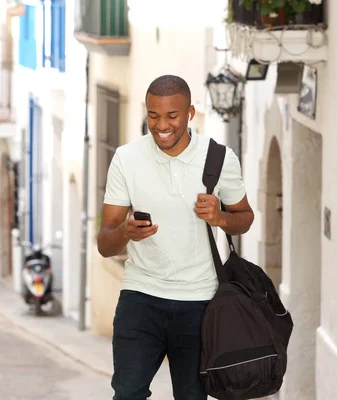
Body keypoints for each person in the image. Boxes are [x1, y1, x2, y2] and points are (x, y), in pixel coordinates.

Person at [97, 75, 255, 400]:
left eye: (172, 115)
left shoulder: (219, 159)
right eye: (153, 115)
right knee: (127, 394)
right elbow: (104, 242)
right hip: (141, 296)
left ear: (190, 113)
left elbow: (245, 219)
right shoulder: (126, 159)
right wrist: (126, 232)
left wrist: (220, 216)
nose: (161, 125)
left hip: (200, 301)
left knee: (192, 396)